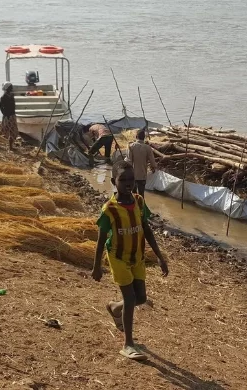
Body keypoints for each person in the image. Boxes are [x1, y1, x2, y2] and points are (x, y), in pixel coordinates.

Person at [92, 160, 169, 361]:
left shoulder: (139, 202)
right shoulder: (109, 209)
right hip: (118, 257)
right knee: (130, 298)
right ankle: (128, 344)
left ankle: (115, 307)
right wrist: (97, 267)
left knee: (141, 298)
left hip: (137, 257)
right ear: (113, 181)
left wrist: (160, 257)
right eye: (123, 179)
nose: (128, 183)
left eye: (131, 179)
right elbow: (100, 240)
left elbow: (146, 229)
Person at [128, 128, 158, 197]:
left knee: (133, 194)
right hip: (142, 175)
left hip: (133, 176)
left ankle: (134, 207)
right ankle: (141, 206)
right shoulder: (148, 148)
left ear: (136, 137)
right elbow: (153, 163)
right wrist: (154, 168)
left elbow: (128, 161)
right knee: (141, 195)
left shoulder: (131, 146)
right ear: (144, 138)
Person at [0, 82, 18, 150]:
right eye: (11, 87)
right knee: (8, 131)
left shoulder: (11, 95)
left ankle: (10, 145)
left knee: (14, 131)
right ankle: (9, 146)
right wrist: (5, 114)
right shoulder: (3, 97)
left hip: (12, 115)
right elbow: (1, 107)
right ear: (7, 88)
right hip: (7, 116)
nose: (12, 88)